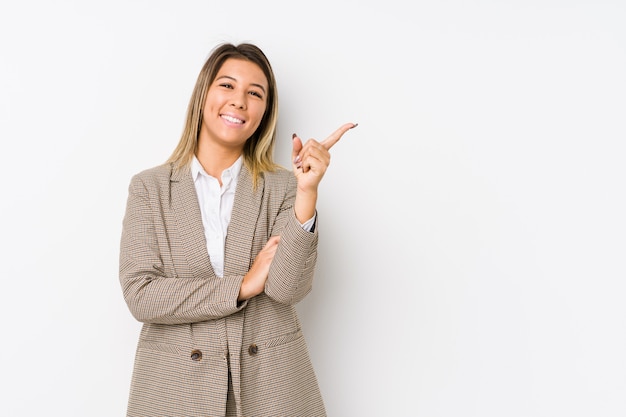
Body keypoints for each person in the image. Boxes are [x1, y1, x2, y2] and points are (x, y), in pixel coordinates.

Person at [118, 42, 356, 417]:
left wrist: (307, 192)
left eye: (255, 93)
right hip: (175, 393)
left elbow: (285, 288)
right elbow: (142, 295)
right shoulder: (149, 188)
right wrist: (243, 286)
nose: (240, 101)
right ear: (204, 95)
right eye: (227, 85)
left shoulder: (283, 187)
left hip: (271, 389)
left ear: (265, 111)